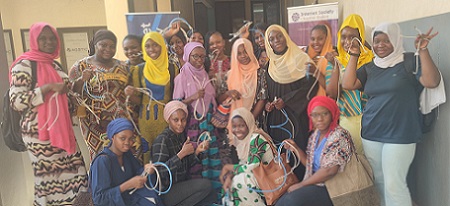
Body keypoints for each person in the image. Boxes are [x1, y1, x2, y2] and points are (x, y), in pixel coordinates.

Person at [342, 22, 440, 206]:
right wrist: (354, 55)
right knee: (379, 181)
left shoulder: (409, 61)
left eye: (386, 40)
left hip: (402, 134)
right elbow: (348, 84)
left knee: (395, 184)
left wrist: (423, 50)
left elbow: (431, 81)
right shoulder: (370, 68)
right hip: (372, 133)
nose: (381, 44)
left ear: (396, 39)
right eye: (377, 41)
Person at [9, 22, 88, 205]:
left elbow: (66, 94)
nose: (49, 42)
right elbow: (17, 101)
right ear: (34, 40)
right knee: (49, 181)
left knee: (77, 175)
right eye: (43, 38)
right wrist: (46, 89)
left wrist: (79, 83)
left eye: (52, 38)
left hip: (62, 130)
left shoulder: (54, 64)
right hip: (40, 136)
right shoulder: (24, 65)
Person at [276, 96, 354, 206]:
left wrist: (302, 185)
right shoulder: (315, 135)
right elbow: (310, 164)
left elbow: (330, 170)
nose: (320, 119)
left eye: (325, 114)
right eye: (315, 115)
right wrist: (296, 148)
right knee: (281, 201)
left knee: (291, 201)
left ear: (332, 114)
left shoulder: (340, 135)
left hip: (334, 187)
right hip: (318, 184)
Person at [173, 42, 227, 199]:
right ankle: (200, 198)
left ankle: (214, 197)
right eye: (195, 56)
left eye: (202, 56)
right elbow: (176, 105)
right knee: (198, 161)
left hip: (209, 127)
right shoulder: (181, 77)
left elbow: (212, 100)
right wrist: (193, 97)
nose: (199, 60)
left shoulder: (205, 75)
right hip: (193, 127)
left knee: (212, 160)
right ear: (187, 56)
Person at [263, 24, 318, 179]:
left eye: (279, 36)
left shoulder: (300, 58)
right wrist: (268, 103)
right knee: (281, 154)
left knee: (298, 151)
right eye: (271, 39)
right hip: (277, 118)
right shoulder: (269, 65)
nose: (276, 40)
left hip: (297, 116)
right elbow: (269, 91)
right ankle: (284, 189)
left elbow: (311, 85)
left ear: (286, 36)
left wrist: (286, 100)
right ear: (269, 44)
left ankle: (302, 188)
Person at [69, 30, 132, 159]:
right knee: (101, 157)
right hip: (94, 124)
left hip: (120, 120)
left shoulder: (123, 66)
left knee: (123, 157)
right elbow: (72, 94)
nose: (108, 49)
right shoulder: (80, 66)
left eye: (112, 46)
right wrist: (81, 80)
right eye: (103, 45)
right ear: (95, 45)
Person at [125, 31, 178, 164]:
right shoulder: (139, 70)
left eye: (155, 45)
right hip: (145, 122)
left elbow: (175, 97)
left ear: (162, 46)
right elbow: (138, 100)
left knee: (166, 153)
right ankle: (149, 183)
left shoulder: (172, 69)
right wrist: (130, 94)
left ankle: (167, 182)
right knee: (147, 156)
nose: (151, 49)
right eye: (147, 46)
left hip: (166, 120)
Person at [325, 14, 374, 155]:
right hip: (348, 120)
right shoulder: (336, 62)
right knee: (354, 161)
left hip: (372, 117)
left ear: (361, 37)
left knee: (372, 162)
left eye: (352, 36)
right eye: (344, 37)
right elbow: (332, 94)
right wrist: (334, 66)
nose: (347, 41)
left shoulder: (372, 59)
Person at [151, 100, 217, 206]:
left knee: (211, 194)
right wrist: (181, 154)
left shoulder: (181, 136)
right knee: (206, 185)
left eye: (183, 120)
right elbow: (159, 172)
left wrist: (196, 152)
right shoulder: (162, 139)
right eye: (175, 120)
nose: (180, 124)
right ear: (168, 120)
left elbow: (186, 164)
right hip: (166, 192)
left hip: (181, 185)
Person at [90, 118, 163, 206]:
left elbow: (137, 172)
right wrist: (127, 185)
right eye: (123, 138)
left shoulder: (126, 154)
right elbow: (99, 199)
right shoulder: (102, 161)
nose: (127, 142)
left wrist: (146, 170)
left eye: (131, 139)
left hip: (130, 199)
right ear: (113, 137)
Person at [219, 107, 274, 206]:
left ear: (248, 124)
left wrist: (228, 167)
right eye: (234, 126)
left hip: (270, 178)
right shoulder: (243, 141)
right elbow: (243, 163)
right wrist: (230, 175)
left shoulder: (257, 138)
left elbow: (252, 166)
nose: (237, 130)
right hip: (259, 176)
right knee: (230, 184)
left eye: (241, 125)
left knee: (239, 182)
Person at [225, 38, 267, 127]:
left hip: (254, 120)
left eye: (246, 51)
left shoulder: (260, 72)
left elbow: (262, 99)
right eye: (239, 53)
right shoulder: (230, 74)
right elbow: (221, 98)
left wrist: (249, 120)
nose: (243, 55)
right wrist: (228, 94)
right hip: (234, 122)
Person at [307, 24, 333, 96]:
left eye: (320, 39)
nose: (316, 42)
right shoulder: (308, 56)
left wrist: (316, 72)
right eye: (313, 39)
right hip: (309, 102)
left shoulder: (332, 57)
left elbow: (332, 90)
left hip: (325, 102)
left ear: (327, 38)